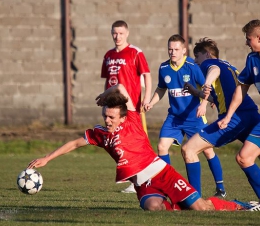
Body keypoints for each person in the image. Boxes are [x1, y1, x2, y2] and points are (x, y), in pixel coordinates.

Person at [26, 84, 260, 211]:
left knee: (201, 208)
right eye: (105, 116)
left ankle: (240, 206)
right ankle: (178, 206)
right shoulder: (100, 134)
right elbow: (76, 142)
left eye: (111, 117)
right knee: (152, 208)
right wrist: (47, 158)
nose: (107, 120)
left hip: (162, 173)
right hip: (142, 184)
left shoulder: (133, 121)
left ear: (121, 116)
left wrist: (107, 93)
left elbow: (121, 88)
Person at [144, 34, 226, 197]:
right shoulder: (164, 68)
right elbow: (161, 89)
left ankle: (220, 188)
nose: (172, 52)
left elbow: (206, 88)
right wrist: (152, 102)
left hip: (194, 117)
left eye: (176, 49)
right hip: (174, 117)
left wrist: (203, 104)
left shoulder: (192, 66)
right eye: (170, 49)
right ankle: (166, 186)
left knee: (208, 151)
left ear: (183, 50)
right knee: (161, 147)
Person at [181, 37, 260, 201]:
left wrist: (207, 82)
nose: (196, 61)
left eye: (197, 57)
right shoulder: (228, 65)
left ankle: (195, 202)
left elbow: (213, 70)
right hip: (250, 113)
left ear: (208, 54)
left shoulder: (209, 64)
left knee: (189, 149)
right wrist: (197, 92)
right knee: (247, 157)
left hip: (233, 119)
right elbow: (222, 92)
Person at [101, 20, 152, 193]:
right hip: (114, 106)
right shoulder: (108, 55)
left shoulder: (135, 52)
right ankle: (134, 177)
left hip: (131, 106)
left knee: (137, 143)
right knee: (119, 142)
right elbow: (108, 82)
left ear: (127, 33)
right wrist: (105, 102)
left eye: (121, 33)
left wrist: (146, 98)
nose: (117, 36)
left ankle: (142, 178)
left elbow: (147, 75)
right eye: (114, 33)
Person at [217, 19, 260, 202]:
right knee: (244, 157)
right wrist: (229, 115)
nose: (246, 43)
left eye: (248, 39)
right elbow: (241, 88)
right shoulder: (252, 60)